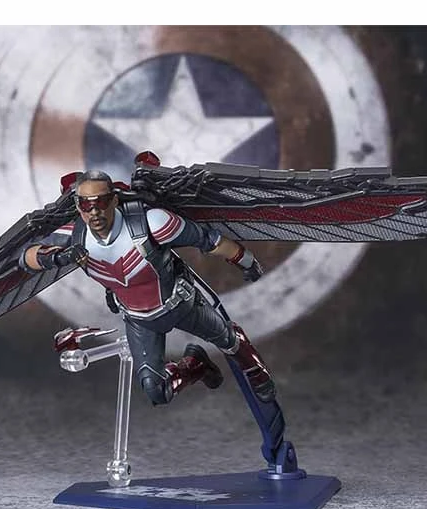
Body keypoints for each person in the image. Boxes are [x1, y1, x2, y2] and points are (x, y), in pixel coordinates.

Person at [19, 169, 276, 406]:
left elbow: (209, 240)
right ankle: (195, 365)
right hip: (139, 321)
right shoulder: (74, 237)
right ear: (78, 206)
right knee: (156, 391)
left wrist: (246, 261)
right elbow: (26, 257)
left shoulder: (152, 223)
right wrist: (56, 257)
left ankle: (255, 369)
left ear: (114, 200)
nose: (94, 212)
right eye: (87, 204)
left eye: (101, 202)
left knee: (229, 341)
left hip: (181, 305)